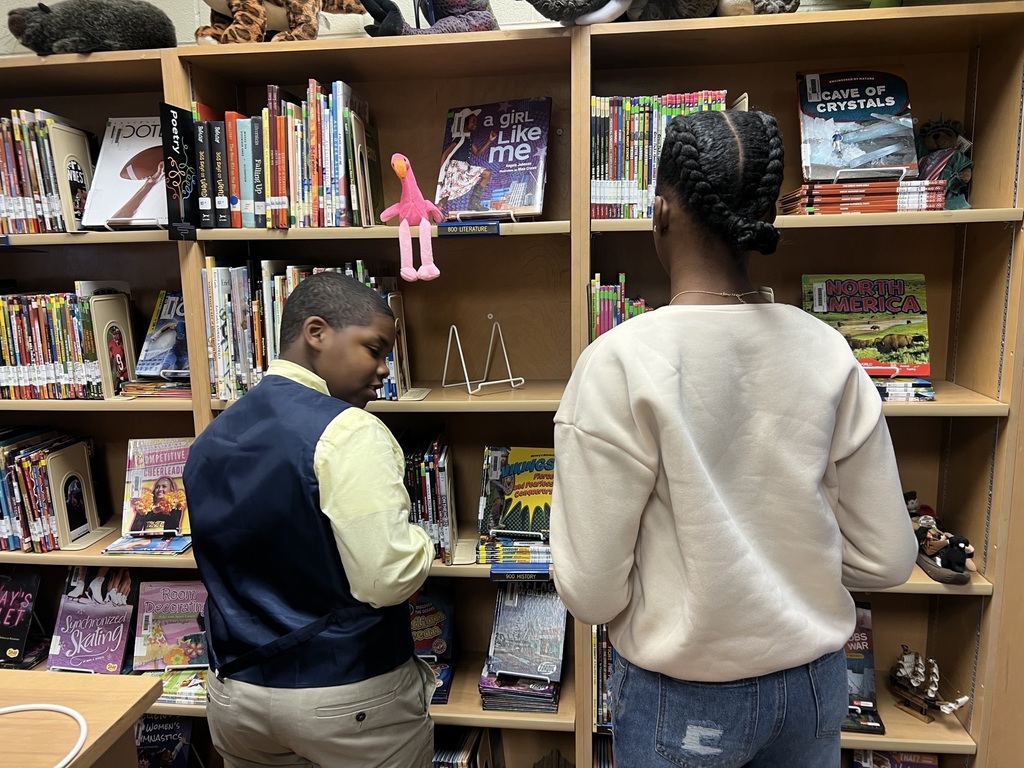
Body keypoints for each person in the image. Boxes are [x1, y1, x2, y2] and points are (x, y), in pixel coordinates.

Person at [549, 110, 918, 767]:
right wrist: (785, 573)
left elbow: (591, 592)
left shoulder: (620, 361)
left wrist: (695, 582)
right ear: (761, 217)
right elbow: (889, 557)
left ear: (659, 211)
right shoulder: (828, 351)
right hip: (812, 684)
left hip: (681, 696)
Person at [183, 272, 436, 768]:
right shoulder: (350, 430)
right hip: (348, 693)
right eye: (375, 348)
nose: (385, 369)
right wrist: (423, 541)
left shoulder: (212, 436)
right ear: (316, 333)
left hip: (236, 692)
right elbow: (388, 578)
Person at [435, 108, 497, 213]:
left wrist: (489, 140)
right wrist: (442, 172)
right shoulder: (459, 138)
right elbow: (446, 153)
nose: (475, 124)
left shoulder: (468, 139)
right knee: (448, 192)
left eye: (475, 122)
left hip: (464, 167)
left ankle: (474, 203)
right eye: (472, 121)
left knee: (487, 173)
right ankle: (437, 210)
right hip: (455, 168)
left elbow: (477, 153)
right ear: (465, 122)